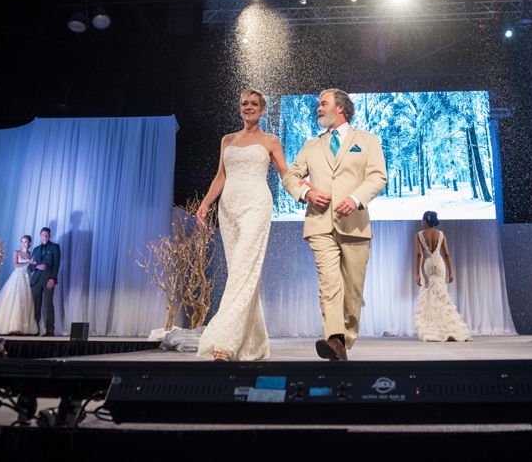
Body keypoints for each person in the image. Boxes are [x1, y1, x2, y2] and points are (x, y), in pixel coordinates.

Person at [282, 89, 387, 361]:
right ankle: (334, 339)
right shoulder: (311, 146)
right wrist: (307, 193)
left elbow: (377, 177)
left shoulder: (367, 141)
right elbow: (291, 177)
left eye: (323, 103)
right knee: (329, 283)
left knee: (352, 290)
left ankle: (344, 340)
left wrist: (356, 199)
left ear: (340, 107)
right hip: (319, 225)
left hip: (355, 225)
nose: (318, 108)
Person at [195, 89, 291, 362]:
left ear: (263, 110)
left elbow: (285, 172)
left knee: (242, 271)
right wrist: (205, 204)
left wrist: (304, 190)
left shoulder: (270, 140)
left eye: (254, 104)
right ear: (240, 108)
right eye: (244, 103)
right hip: (229, 210)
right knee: (242, 273)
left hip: (256, 206)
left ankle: (224, 343)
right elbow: (220, 176)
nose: (248, 107)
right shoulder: (228, 140)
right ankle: (254, 344)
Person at [413, 211, 472, 342]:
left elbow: (419, 255)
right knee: (441, 294)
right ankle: (448, 328)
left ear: (426, 221)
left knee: (430, 294)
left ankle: (432, 329)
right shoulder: (440, 234)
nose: (421, 222)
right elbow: (446, 254)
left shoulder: (419, 235)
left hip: (428, 264)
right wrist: (450, 272)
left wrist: (417, 274)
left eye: (422, 220)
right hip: (439, 264)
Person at [0, 235, 38, 335]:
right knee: (15, 300)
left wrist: (34, 264)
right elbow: (16, 265)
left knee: (25, 302)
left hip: (26, 278)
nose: (23, 243)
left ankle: (23, 328)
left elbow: (31, 267)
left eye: (26, 241)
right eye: (22, 241)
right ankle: (13, 327)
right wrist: (29, 262)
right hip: (17, 277)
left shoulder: (30, 254)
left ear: (29, 243)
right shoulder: (16, 252)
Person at [30, 226, 61, 337]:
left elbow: (56, 265)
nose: (45, 237)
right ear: (40, 235)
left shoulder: (55, 247)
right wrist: (37, 266)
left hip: (48, 280)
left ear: (49, 236)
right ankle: (35, 330)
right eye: (43, 235)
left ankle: (50, 331)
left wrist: (53, 278)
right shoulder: (35, 249)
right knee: (35, 306)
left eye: (47, 235)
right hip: (36, 281)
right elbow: (30, 267)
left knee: (48, 305)